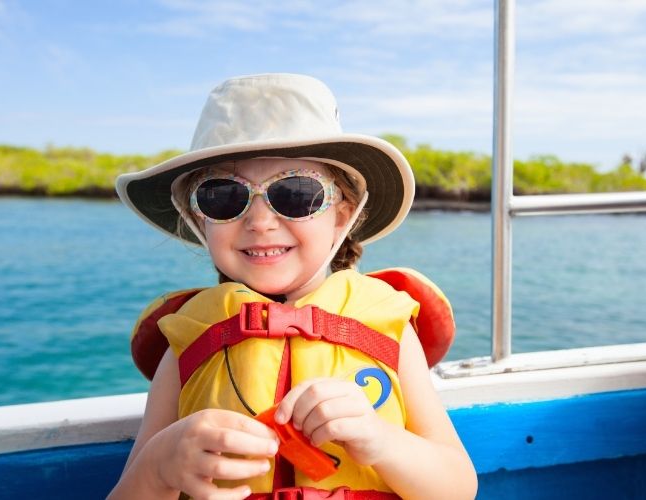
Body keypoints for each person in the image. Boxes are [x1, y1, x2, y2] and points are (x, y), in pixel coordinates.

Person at [108, 73, 477, 500]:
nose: (260, 222)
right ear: (198, 219)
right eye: (223, 196)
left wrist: (381, 441)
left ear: (343, 215)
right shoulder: (187, 337)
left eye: (297, 193)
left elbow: (459, 487)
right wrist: (158, 468)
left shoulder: (390, 325)